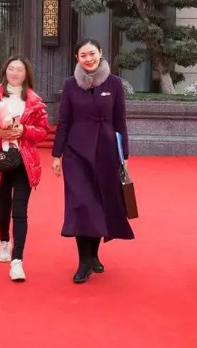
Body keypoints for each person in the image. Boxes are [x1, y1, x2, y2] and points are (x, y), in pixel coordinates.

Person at [51, 38, 134, 284]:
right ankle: (84, 261)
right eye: (83, 55)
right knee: (81, 204)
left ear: (100, 53)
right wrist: (56, 154)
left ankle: (94, 255)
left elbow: (120, 121)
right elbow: (63, 121)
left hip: (106, 152)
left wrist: (124, 156)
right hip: (76, 153)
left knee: (99, 204)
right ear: (77, 58)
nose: (88, 59)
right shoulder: (70, 84)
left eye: (92, 53)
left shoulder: (114, 83)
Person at [0, 56, 49, 282]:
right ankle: (4, 241)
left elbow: (43, 131)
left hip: (24, 161)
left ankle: (17, 261)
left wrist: (24, 130)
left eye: (19, 70)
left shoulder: (34, 101)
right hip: (0, 159)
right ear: (5, 71)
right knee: (3, 207)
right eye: (11, 69)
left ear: (26, 75)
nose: (14, 73)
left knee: (20, 211)